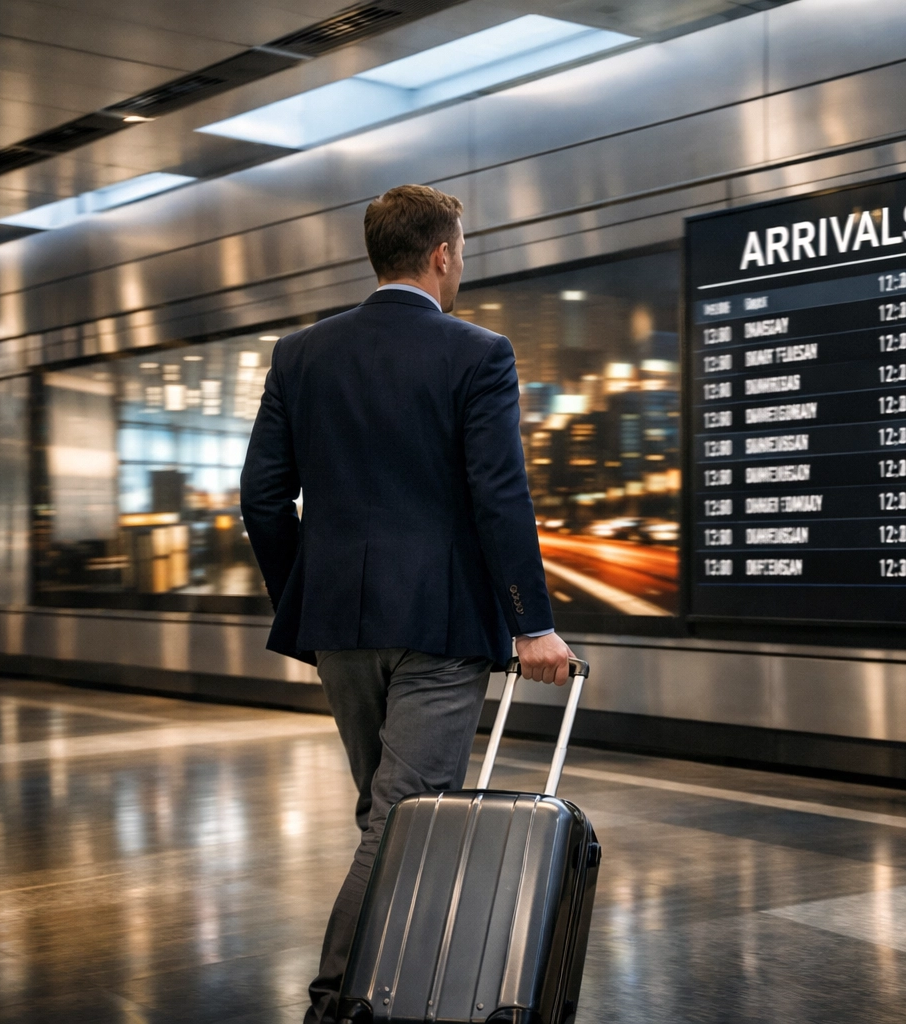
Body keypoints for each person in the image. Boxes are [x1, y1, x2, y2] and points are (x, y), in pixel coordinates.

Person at [240, 183, 574, 1024]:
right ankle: (339, 1002)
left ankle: (390, 986)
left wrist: (306, 600)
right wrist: (531, 622)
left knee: (384, 813)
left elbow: (263, 499)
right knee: (401, 821)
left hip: (343, 629)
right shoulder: (478, 353)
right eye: (461, 249)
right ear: (441, 255)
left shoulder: (301, 354)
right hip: (440, 624)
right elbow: (499, 495)